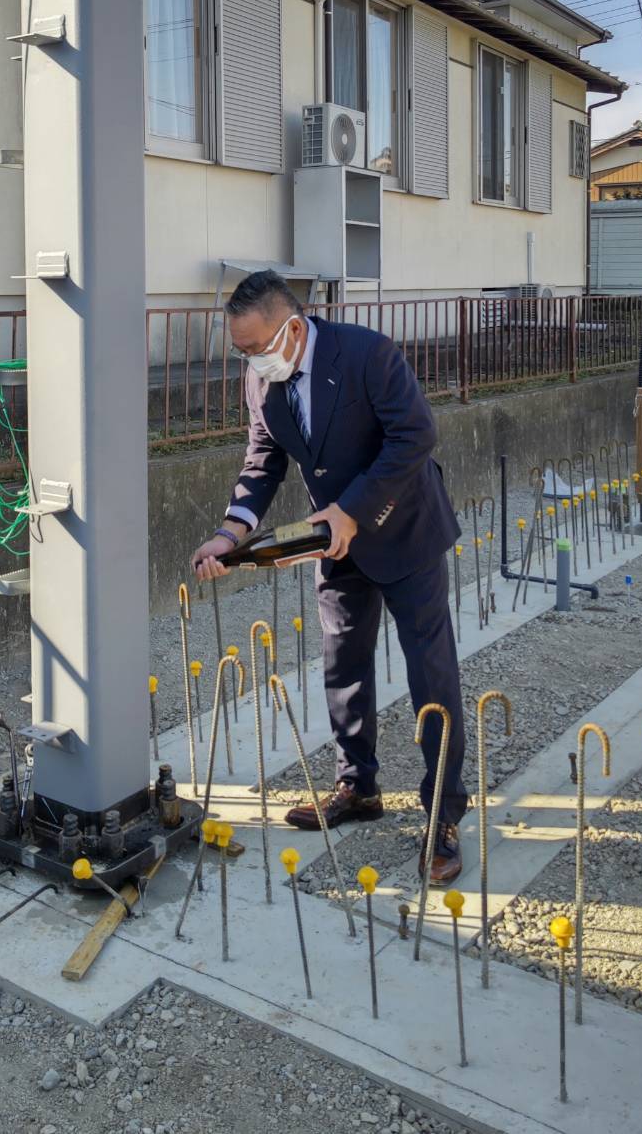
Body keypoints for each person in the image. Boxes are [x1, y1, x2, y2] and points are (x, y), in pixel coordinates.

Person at [192, 270, 465, 883]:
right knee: (343, 667)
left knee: (431, 675)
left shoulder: (367, 353)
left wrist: (352, 510)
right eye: (241, 352)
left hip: (405, 533)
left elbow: (415, 434)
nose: (251, 361)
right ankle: (357, 787)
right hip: (335, 546)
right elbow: (262, 462)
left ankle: (442, 815)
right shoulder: (264, 380)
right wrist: (231, 531)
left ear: (292, 328)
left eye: (256, 348)